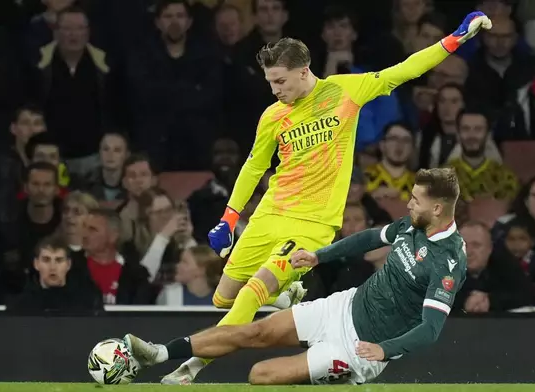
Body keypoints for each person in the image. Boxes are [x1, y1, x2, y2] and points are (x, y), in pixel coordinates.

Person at [159, 11, 490, 384]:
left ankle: (190, 368)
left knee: (253, 293)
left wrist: (455, 39)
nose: (275, 90)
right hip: (271, 213)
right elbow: (254, 167)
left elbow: (406, 69)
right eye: (270, 82)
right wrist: (230, 217)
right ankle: (286, 297)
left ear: (304, 71)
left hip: (313, 224)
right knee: (224, 299)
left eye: (280, 81)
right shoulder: (273, 116)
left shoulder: (345, 91)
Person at [124, 167, 468, 385]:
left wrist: (383, 349)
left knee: (260, 376)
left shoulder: (448, 261)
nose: (407, 204)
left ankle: (340, 378)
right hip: (343, 306)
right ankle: (160, 354)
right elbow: (370, 238)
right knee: (255, 331)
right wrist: (319, 256)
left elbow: (431, 329)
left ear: (437, 208)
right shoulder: (413, 223)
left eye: (415, 200)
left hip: (357, 349)